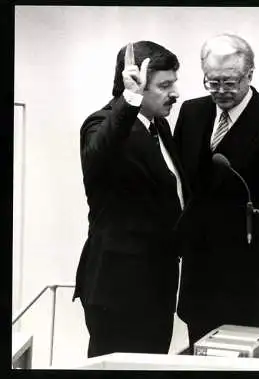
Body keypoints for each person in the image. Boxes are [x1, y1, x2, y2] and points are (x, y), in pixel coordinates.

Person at [173, 33, 259, 352]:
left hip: (251, 268)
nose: (221, 91)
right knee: (201, 351)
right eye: (212, 82)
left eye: (229, 82)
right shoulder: (191, 113)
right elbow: (183, 183)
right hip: (200, 267)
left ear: (249, 74)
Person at [72, 41, 188, 357]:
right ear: (134, 86)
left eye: (174, 83)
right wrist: (130, 100)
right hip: (118, 291)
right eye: (164, 86)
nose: (175, 92)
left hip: (157, 285)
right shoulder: (102, 123)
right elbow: (98, 155)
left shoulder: (160, 127)